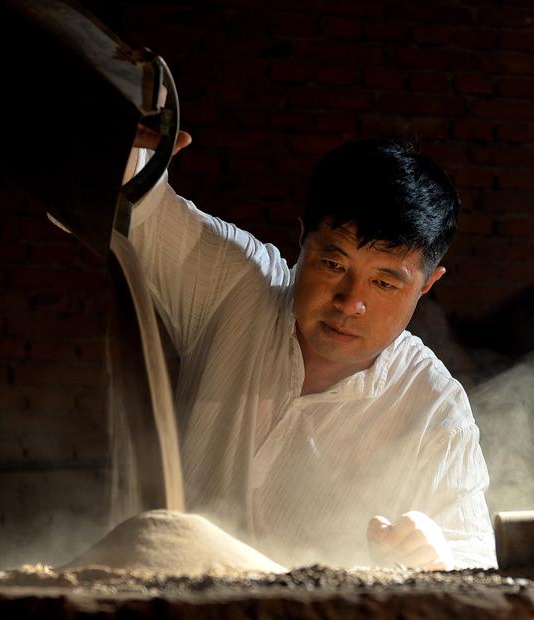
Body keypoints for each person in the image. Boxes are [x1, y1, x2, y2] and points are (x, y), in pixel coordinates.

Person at [113, 132, 496, 570]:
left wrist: (438, 557)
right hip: (170, 612)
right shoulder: (234, 288)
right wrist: (126, 129)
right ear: (303, 240)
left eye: (384, 283)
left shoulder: (434, 409)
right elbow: (133, 204)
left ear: (427, 284)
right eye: (333, 265)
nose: (350, 302)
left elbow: (473, 563)